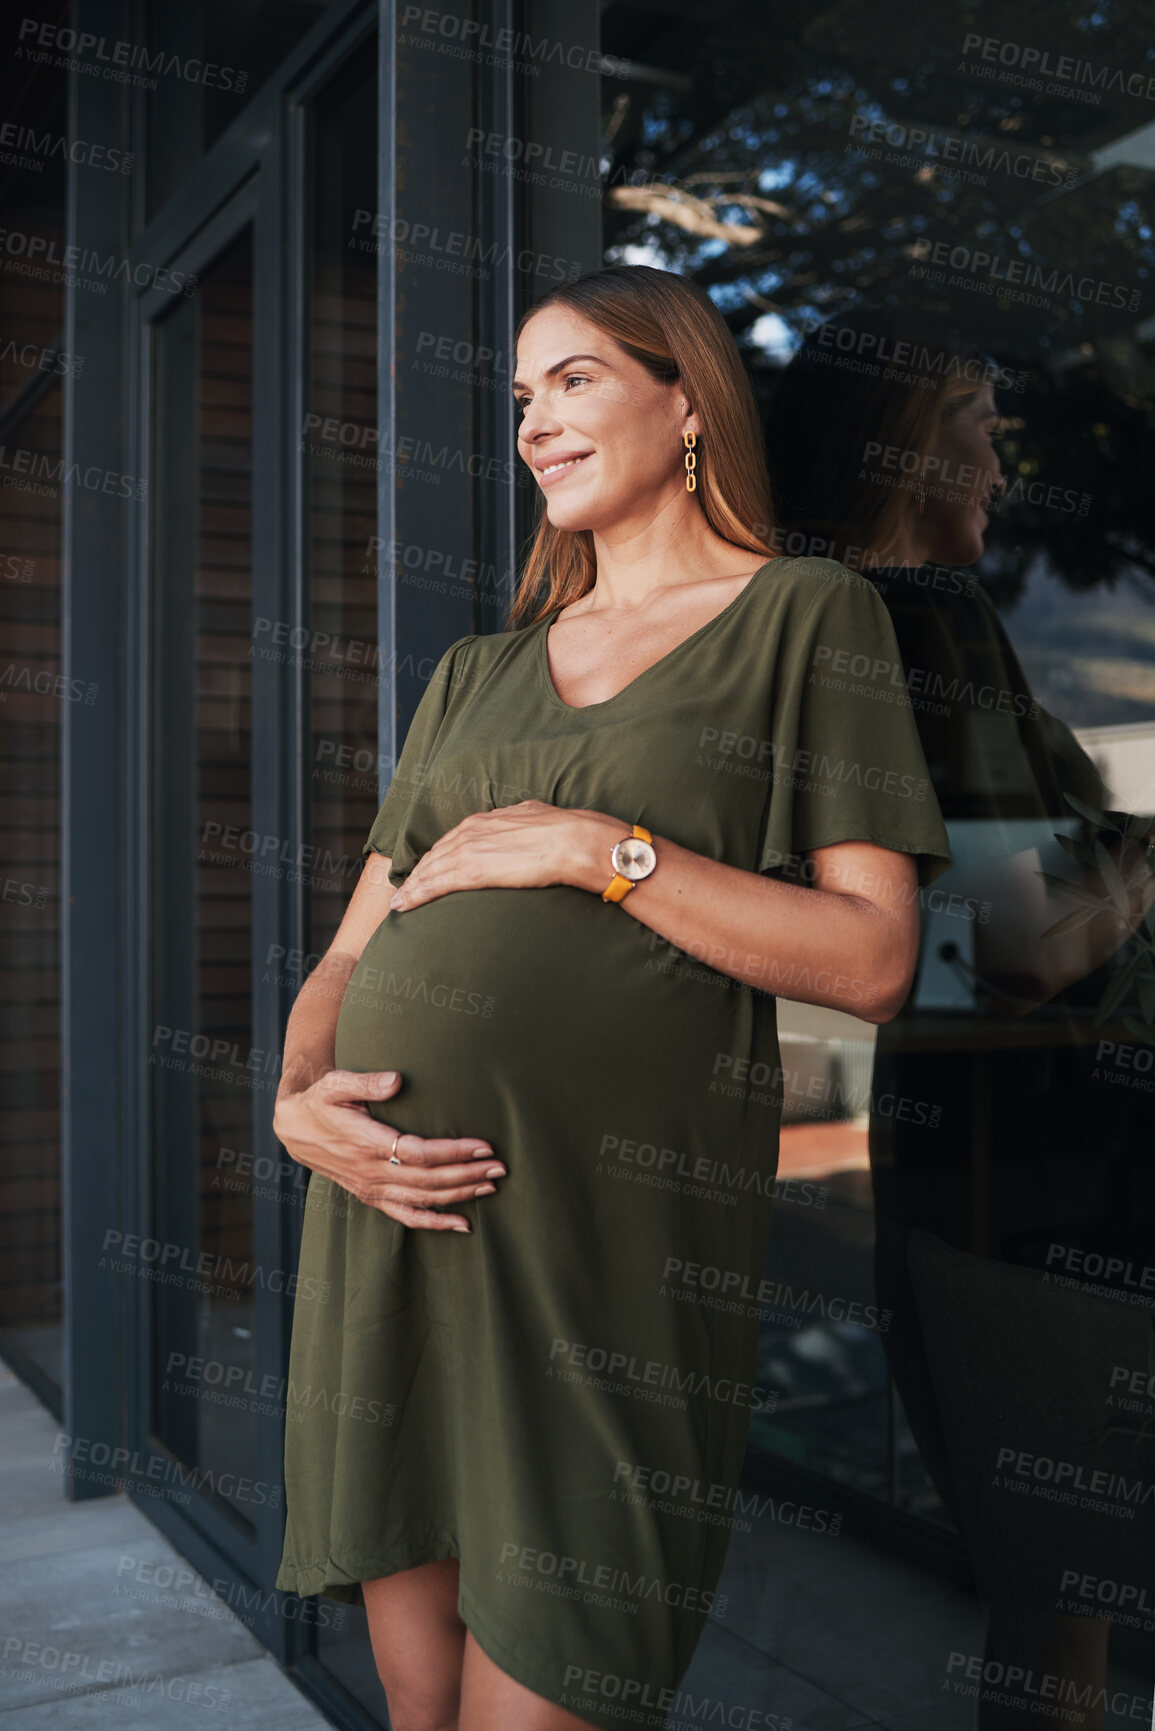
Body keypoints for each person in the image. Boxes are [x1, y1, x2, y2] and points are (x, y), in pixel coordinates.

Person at [272, 266, 951, 1731]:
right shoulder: (473, 674)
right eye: (520, 397)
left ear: (687, 400)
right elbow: (343, 960)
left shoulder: (805, 619)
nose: (532, 421)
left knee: (561, 1677)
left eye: (572, 379)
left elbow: (872, 959)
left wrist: (603, 851)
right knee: (417, 1700)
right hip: (398, 1223)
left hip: (601, 1249)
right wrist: (296, 1108)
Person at [770, 307, 1155, 1730]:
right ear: (909, 447)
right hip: (1065, 1175)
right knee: (1064, 1597)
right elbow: (1018, 944)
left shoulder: (809, 623)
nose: (1002, 467)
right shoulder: (920, 622)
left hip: (965, 1164)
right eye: (982, 430)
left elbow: (933, 950)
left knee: (1046, 1590)